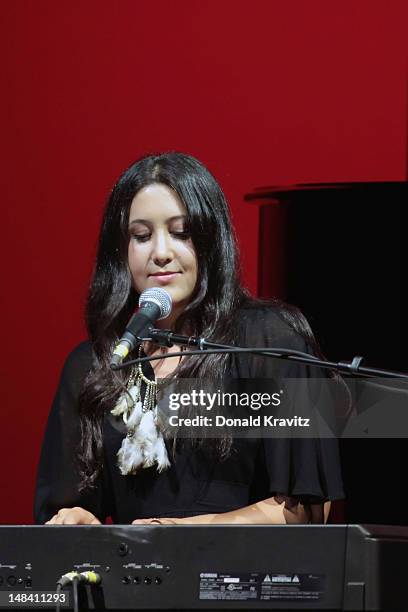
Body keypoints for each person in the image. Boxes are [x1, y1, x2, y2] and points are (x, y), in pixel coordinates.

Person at [34, 152, 345, 526]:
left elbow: (308, 509)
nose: (161, 253)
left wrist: (182, 534)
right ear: (121, 250)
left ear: (211, 241)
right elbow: (73, 508)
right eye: (142, 236)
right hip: (136, 579)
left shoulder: (266, 339)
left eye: (181, 233)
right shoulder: (97, 363)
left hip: (244, 577)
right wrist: (78, 520)